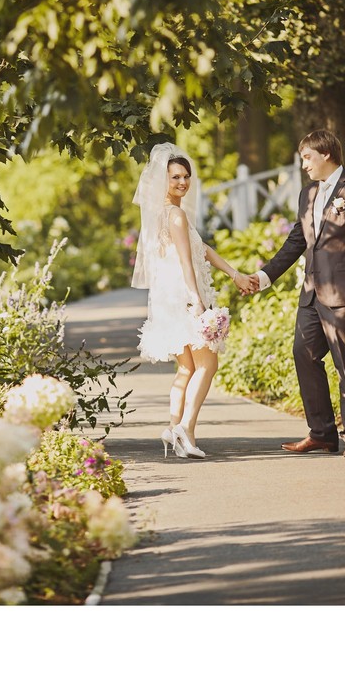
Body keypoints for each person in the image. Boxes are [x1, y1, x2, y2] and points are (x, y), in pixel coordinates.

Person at [238, 129, 345, 458]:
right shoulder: (307, 194)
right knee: (303, 354)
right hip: (311, 294)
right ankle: (321, 433)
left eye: (307, 157)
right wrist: (262, 277)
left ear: (326, 154)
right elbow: (296, 241)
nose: (304, 165)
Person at [132, 142, 249, 460]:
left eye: (186, 176)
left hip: (169, 300)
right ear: (163, 180)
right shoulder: (177, 216)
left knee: (186, 369)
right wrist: (197, 301)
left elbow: (202, 249)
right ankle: (187, 427)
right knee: (208, 365)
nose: (182, 182)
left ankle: (173, 429)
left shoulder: (162, 215)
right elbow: (186, 261)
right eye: (175, 177)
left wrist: (234, 273)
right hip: (185, 298)